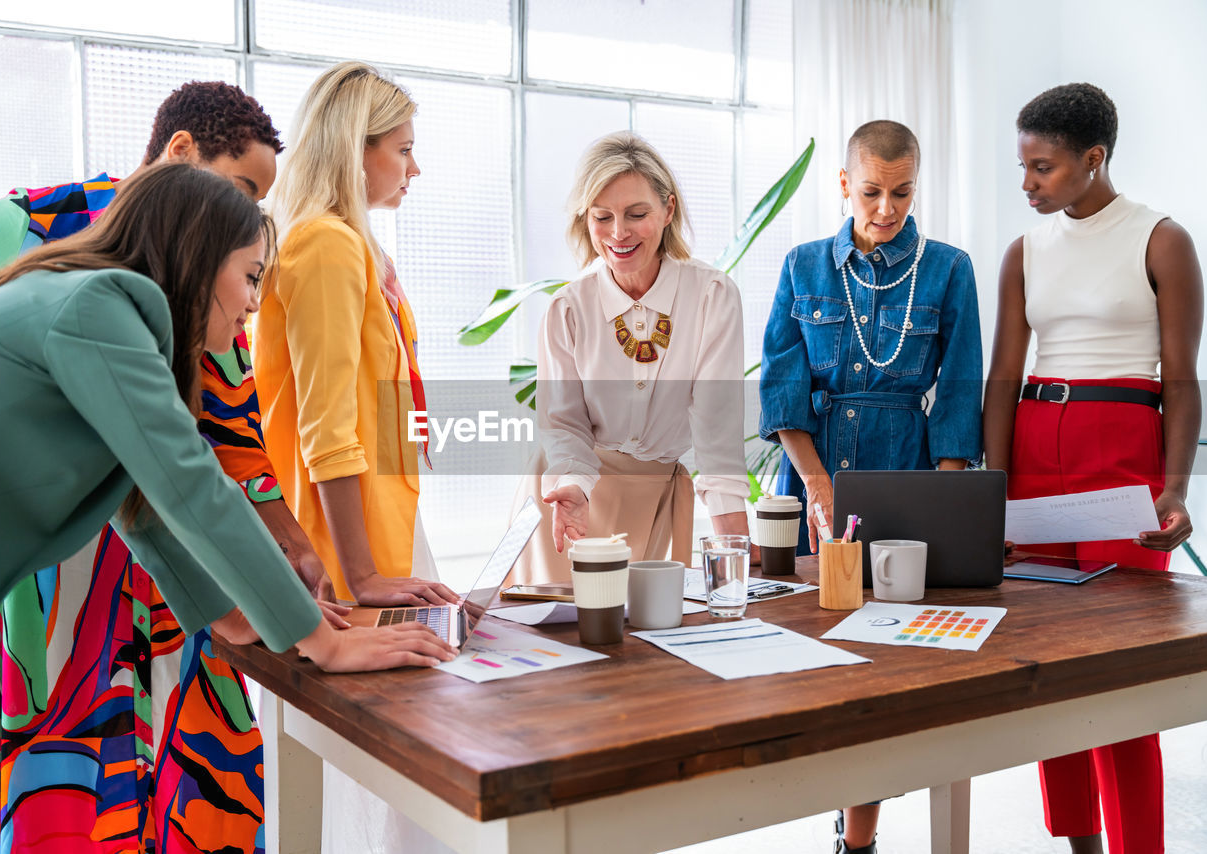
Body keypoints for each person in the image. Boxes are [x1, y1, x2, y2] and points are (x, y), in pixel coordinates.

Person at [0, 161, 457, 854]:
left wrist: (240, 618)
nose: (255, 301)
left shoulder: (89, 304)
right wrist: (322, 642)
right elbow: (191, 483)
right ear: (197, 257)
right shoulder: (101, 307)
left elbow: (142, 507)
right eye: (250, 274)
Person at [984, 83, 1202, 854]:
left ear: (1093, 159)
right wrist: (993, 493)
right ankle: (1076, 841)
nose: (1026, 183)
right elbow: (1002, 378)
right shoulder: (1023, 250)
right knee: (1051, 666)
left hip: (1123, 452)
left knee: (1123, 673)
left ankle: (1136, 845)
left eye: (1040, 167)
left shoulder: (1162, 240)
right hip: (1037, 449)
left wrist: (1173, 488)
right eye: (1022, 165)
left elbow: (1181, 378)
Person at [758, 120, 982, 854]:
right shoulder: (802, 266)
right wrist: (817, 481)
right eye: (872, 190)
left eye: (903, 191)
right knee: (815, 647)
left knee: (891, 663)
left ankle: (860, 835)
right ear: (845, 185)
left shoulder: (949, 269)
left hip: (904, 471)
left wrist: (945, 507)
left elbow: (956, 396)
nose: (886, 207)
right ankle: (835, 796)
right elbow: (783, 383)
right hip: (813, 470)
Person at [252, 61, 458, 854]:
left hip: (374, 525)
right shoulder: (326, 248)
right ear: (355, 149)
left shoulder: (347, 245)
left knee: (390, 779)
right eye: (402, 149)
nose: (414, 167)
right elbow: (327, 425)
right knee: (383, 779)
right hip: (347, 545)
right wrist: (365, 574)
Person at [509, 130, 751, 585]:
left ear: (668, 210)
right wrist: (574, 490)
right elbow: (562, 423)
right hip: (569, 495)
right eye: (602, 217)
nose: (618, 234)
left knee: (648, 640)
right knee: (556, 638)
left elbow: (716, 426)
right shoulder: (568, 308)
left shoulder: (711, 296)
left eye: (637, 214)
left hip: (655, 495)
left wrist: (734, 550)